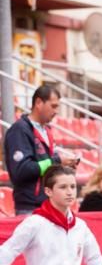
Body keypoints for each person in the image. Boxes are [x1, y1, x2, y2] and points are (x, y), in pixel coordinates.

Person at [4, 85, 78, 215]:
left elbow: (46, 165)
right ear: (38, 103)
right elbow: (21, 170)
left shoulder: (46, 130)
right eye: (53, 106)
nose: (56, 111)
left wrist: (64, 166)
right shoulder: (19, 130)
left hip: (48, 203)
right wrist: (56, 161)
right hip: (30, 206)